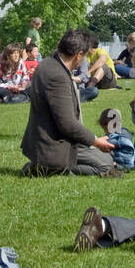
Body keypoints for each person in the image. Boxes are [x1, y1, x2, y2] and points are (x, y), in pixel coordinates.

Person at [20, 29, 117, 176]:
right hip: (52, 146)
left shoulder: (49, 63)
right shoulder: (57, 75)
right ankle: (46, 169)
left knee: (107, 160)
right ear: (78, 55)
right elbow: (68, 124)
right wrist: (96, 142)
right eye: (84, 56)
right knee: (106, 166)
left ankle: (45, 166)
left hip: (48, 140)